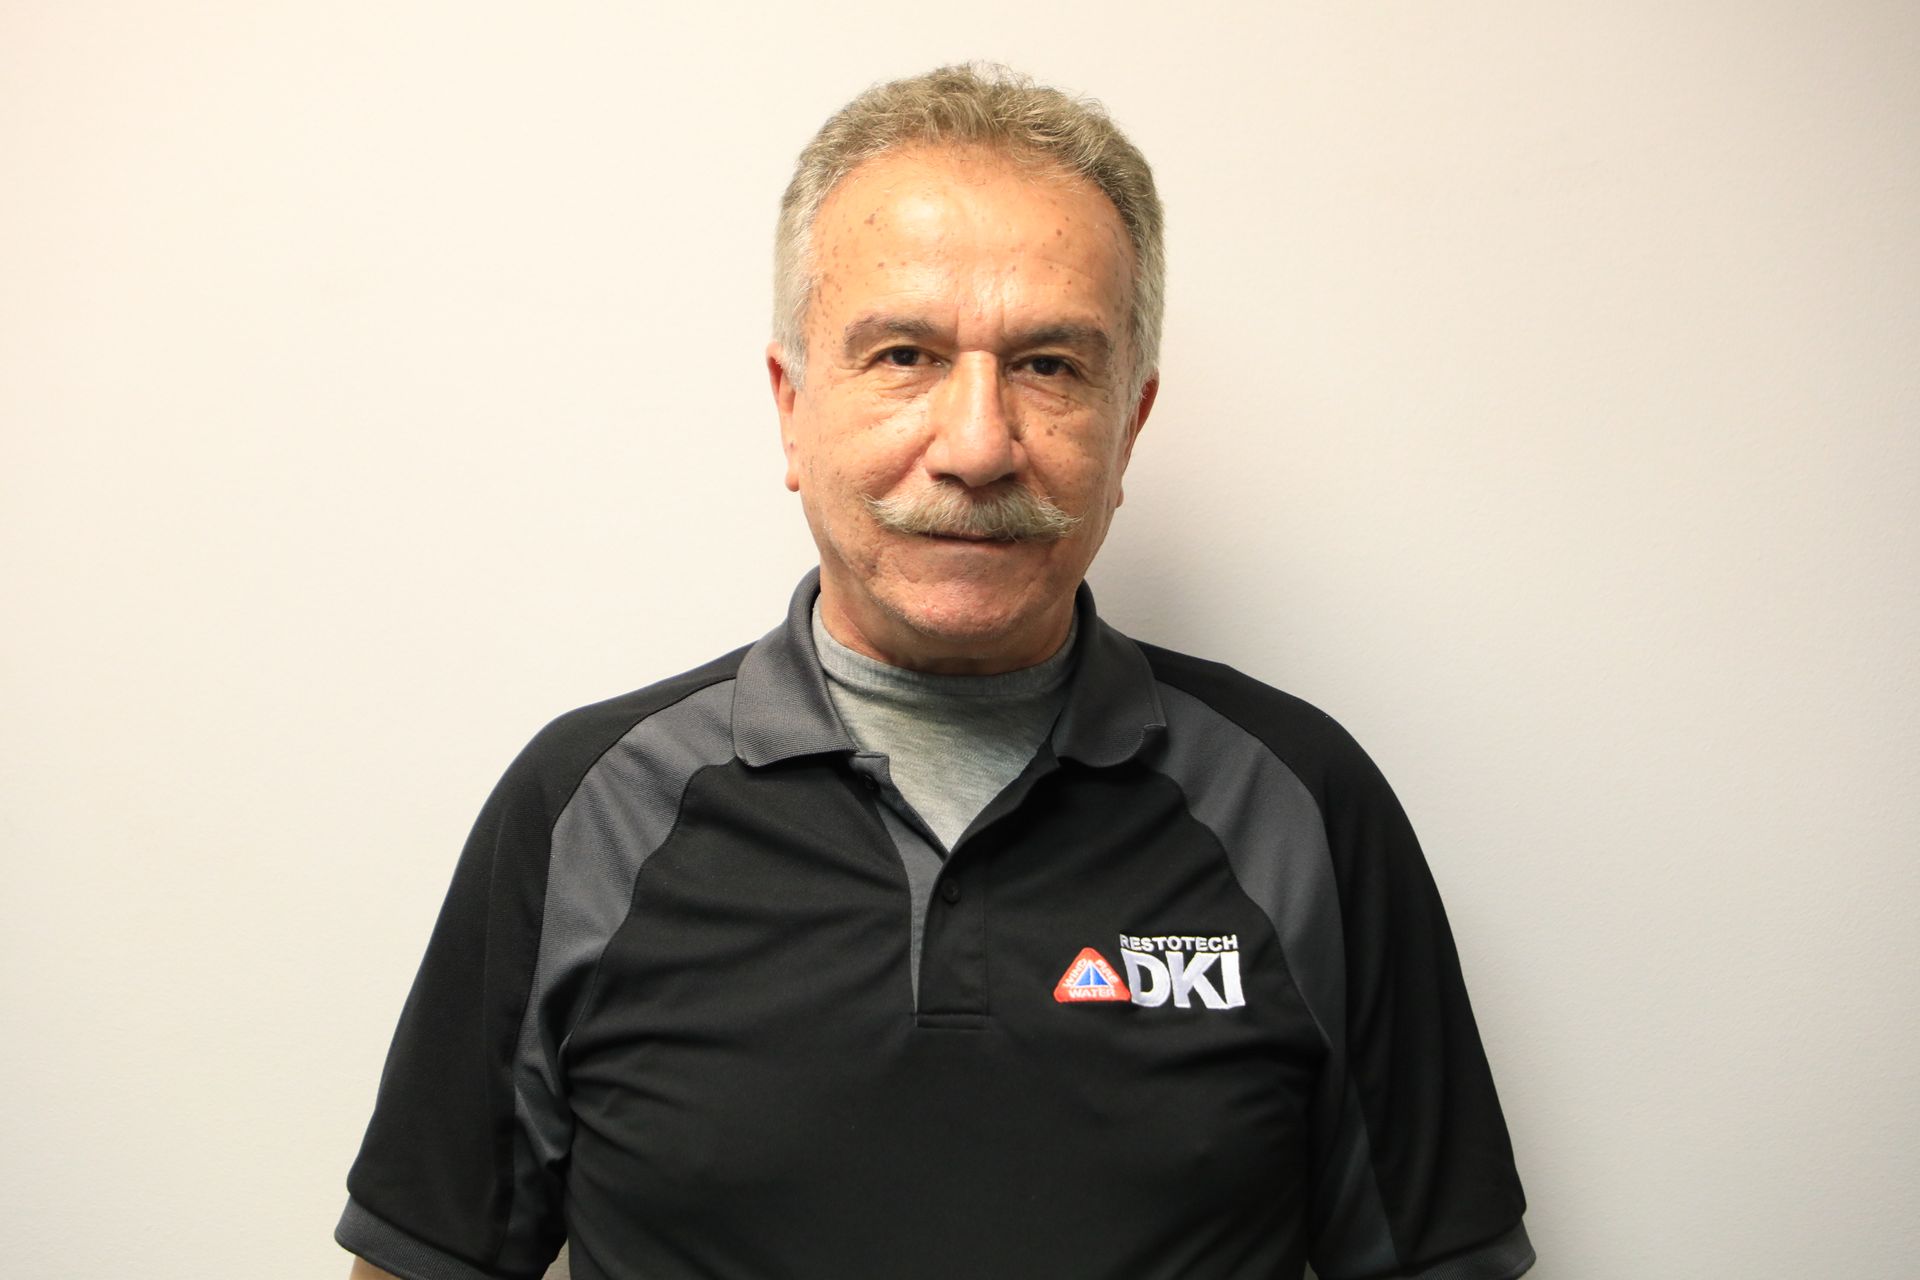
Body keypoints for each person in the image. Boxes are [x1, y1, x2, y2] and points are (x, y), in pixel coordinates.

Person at [339, 64, 1533, 1280]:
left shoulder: (1301, 808)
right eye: (905, 354)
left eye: (1051, 365)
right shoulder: (585, 810)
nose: (976, 445)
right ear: (792, 408)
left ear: (1131, 425)